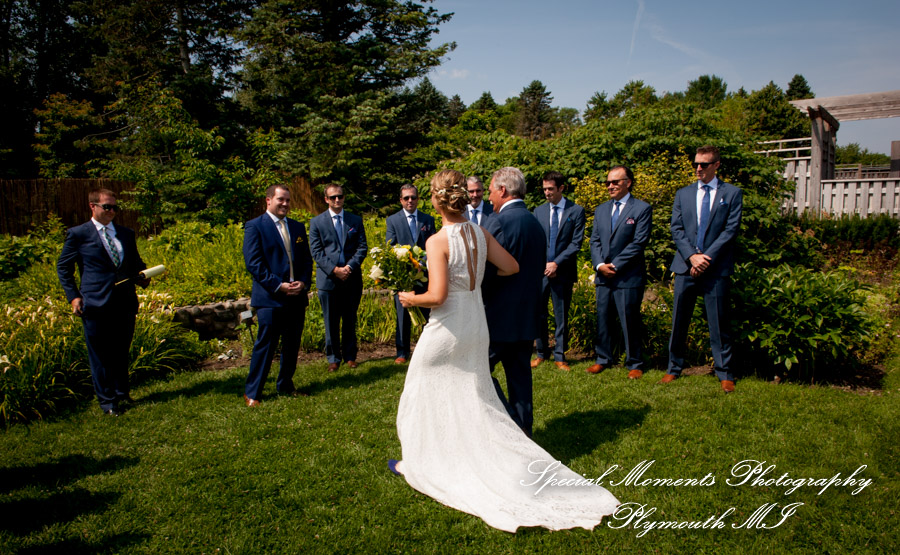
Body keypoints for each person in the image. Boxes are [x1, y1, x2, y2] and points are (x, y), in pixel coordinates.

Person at [391, 169, 619, 533]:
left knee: (421, 386)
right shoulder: (480, 232)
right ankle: (468, 450)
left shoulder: (437, 240)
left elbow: (436, 296)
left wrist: (408, 298)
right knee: (471, 389)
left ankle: (425, 460)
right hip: (476, 323)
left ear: (436, 200)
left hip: (448, 326)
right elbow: (511, 266)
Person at [57, 189, 150, 416]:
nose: (111, 211)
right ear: (93, 206)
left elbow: (134, 262)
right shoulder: (79, 234)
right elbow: (63, 267)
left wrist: (142, 276)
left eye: (114, 207)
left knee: (120, 351)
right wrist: (74, 296)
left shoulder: (125, 234)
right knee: (100, 354)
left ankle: (121, 393)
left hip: (125, 302)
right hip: (96, 302)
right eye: (107, 207)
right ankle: (107, 402)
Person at [664, 146, 743, 393]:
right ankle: (673, 368)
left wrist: (705, 258)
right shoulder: (683, 194)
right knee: (679, 321)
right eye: (696, 164)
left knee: (718, 322)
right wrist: (692, 257)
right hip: (686, 266)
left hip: (715, 267)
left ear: (716, 165)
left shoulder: (731, 194)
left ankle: (725, 373)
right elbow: (676, 229)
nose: (698, 169)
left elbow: (730, 230)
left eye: (704, 164)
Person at [483, 167, 546, 437]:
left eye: (490, 190)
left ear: (502, 190)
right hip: (526, 315)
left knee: (475, 372)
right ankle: (525, 432)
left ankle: (511, 426)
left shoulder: (498, 222)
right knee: (520, 378)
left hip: (498, 317)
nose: (488, 197)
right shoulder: (536, 223)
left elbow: (485, 272)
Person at [242, 185, 314, 406]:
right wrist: (278, 285)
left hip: (296, 296)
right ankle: (253, 392)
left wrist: (303, 282)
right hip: (270, 298)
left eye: (288, 201)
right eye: (281, 200)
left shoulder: (297, 227)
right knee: (266, 346)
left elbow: (306, 260)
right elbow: (254, 264)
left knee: (292, 345)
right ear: (268, 200)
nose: (285, 204)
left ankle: (285, 384)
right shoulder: (255, 227)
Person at [588, 166, 652, 378]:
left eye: (615, 182)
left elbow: (638, 243)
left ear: (628, 182)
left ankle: (634, 363)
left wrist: (614, 266)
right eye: (608, 182)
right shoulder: (601, 210)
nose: (610, 186)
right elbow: (594, 240)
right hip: (603, 275)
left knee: (629, 320)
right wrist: (599, 266)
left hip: (627, 275)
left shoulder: (641, 209)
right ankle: (603, 359)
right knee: (603, 318)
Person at [308, 184, 368, 372]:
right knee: (330, 321)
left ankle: (350, 356)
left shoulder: (355, 220)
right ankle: (333, 358)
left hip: (351, 278)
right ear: (326, 199)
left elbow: (362, 247)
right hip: (328, 280)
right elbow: (316, 251)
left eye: (340, 196)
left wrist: (349, 267)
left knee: (350, 319)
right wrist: (334, 270)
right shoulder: (317, 222)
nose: (337, 200)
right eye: (333, 197)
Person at [531, 171, 586, 371]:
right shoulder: (539, 211)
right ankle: (541, 353)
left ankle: (560, 356)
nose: (546, 193)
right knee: (539, 313)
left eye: (550, 189)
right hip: (541, 272)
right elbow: (536, 241)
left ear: (561, 188)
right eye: (544, 189)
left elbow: (576, 243)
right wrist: (545, 264)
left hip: (563, 271)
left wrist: (557, 263)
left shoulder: (576, 211)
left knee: (561, 315)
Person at [385, 184, 436, 363]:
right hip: (403, 275)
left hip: (423, 273)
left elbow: (433, 244)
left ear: (418, 199)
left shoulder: (427, 220)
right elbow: (390, 246)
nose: (410, 201)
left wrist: (421, 264)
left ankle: (427, 350)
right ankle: (402, 352)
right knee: (402, 315)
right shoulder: (393, 220)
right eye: (406, 198)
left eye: (413, 197)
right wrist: (407, 265)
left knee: (426, 313)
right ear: (401, 200)